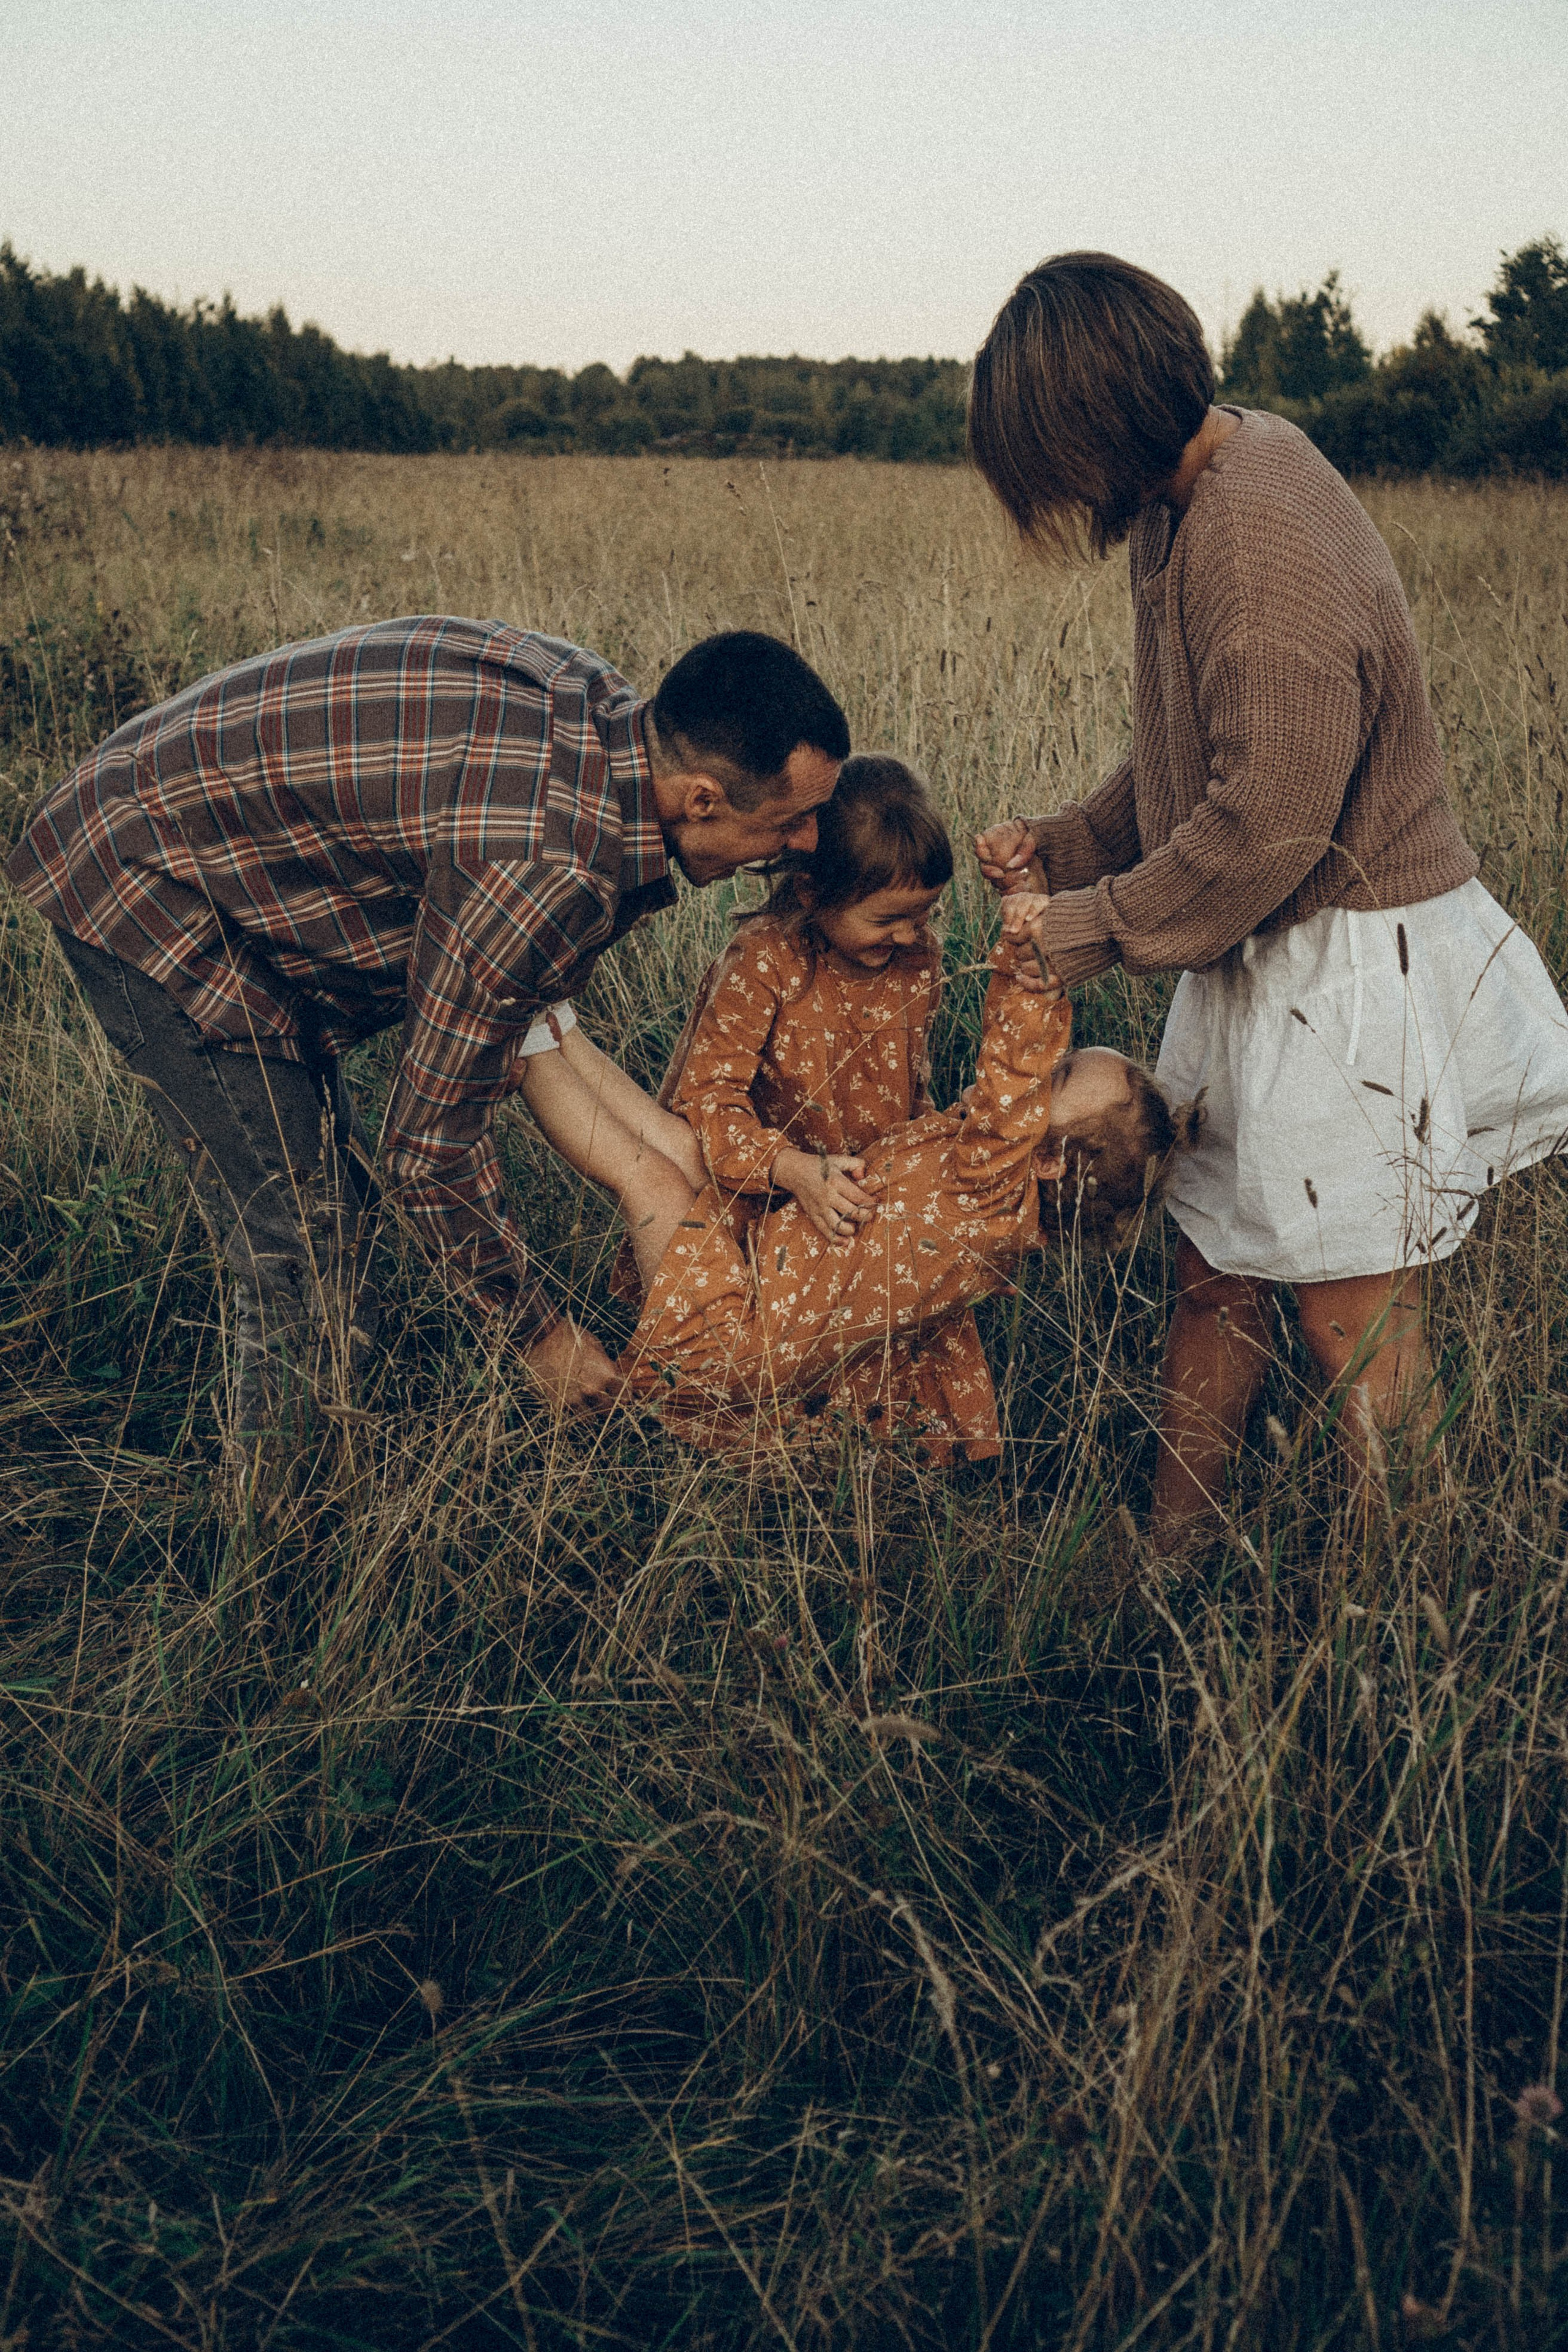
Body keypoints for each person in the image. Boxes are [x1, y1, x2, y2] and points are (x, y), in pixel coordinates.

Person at [967, 251, 1568, 1542]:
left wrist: (1081, 930)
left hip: (1341, 962)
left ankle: (1404, 1614)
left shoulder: (1256, 532)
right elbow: (1199, 758)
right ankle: (1169, 1552)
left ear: (1091, 426)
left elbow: (1264, 828)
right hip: (1257, 958)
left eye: (1044, 461)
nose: (1051, 498)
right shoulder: (1179, 501)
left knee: (1348, 1312)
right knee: (1213, 1271)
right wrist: (1068, 842)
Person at [5, 619, 848, 1458]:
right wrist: (538, 1337)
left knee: (330, 1217)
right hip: (144, 885)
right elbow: (426, 1146)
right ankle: (276, 1556)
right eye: (791, 821)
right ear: (699, 797)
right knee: (309, 1257)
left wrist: (656, 1156)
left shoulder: (605, 721)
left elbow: (510, 1006)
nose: (807, 844)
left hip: (187, 833)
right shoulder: (542, 866)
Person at [619, 894, 1191, 1446]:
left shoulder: (989, 1192)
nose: (1041, 1071)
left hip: (726, 1349)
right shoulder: (979, 1178)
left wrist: (1033, 948)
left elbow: (1015, 1060)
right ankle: (549, 1031)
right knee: (676, 1148)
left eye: (1059, 1076)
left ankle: (540, 1049)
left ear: (1043, 1159)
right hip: (757, 1275)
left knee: (647, 1175)